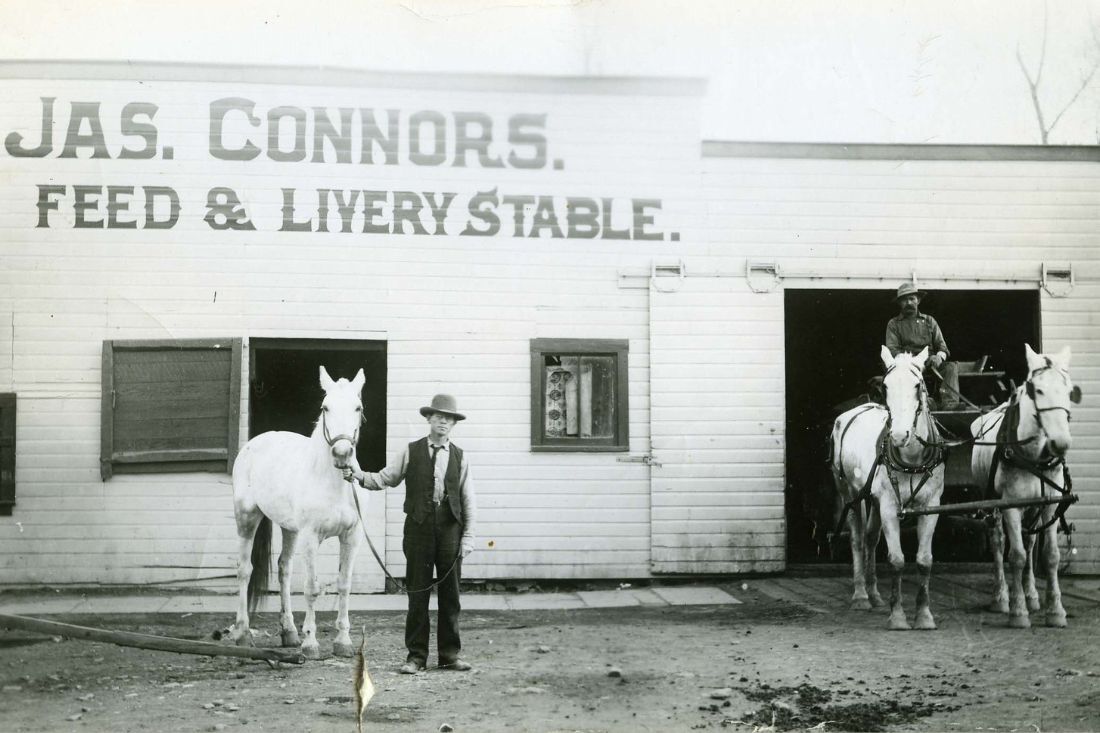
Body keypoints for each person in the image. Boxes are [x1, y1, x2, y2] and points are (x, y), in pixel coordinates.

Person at [345, 394, 475, 674]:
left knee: (451, 595)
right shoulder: (410, 450)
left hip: (451, 529)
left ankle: (449, 656)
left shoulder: (460, 457)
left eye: (448, 418)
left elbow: (468, 500)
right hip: (417, 529)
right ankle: (416, 657)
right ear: (429, 419)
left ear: (453, 424)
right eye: (438, 416)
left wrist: (468, 537)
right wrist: (357, 475)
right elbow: (385, 478)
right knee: (418, 594)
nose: (443, 422)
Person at [885, 282, 956, 407]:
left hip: (930, 364)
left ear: (918, 300)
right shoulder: (894, 324)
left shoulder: (929, 321)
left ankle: (949, 404)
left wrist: (938, 357)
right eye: (904, 300)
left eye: (912, 299)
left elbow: (942, 346)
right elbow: (893, 349)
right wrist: (912, 361)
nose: (909, 303)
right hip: (907, 365)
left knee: (950, 367)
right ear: (899, 303)